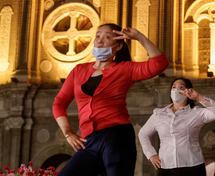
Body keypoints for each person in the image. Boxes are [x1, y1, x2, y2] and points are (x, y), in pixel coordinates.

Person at [53, 24, 169, 176]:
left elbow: (159, 64)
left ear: (118, 46)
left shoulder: (125, 69)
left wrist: (139, 37)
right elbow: (59, 102)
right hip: (89, 140)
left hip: (117, 137)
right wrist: (67, 132)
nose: (100, 41)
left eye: (107, 37)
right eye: (98, 36)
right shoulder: (79, 70)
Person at [138, 77, 215, 176]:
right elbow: (143, 133)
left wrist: (198, 97)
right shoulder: (159, 113)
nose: (176, 89)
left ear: (188, 91)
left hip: (192, 167)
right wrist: (151, 154)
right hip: (166, 166)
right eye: (174, 87)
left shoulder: (197, 113)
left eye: (181, 87)